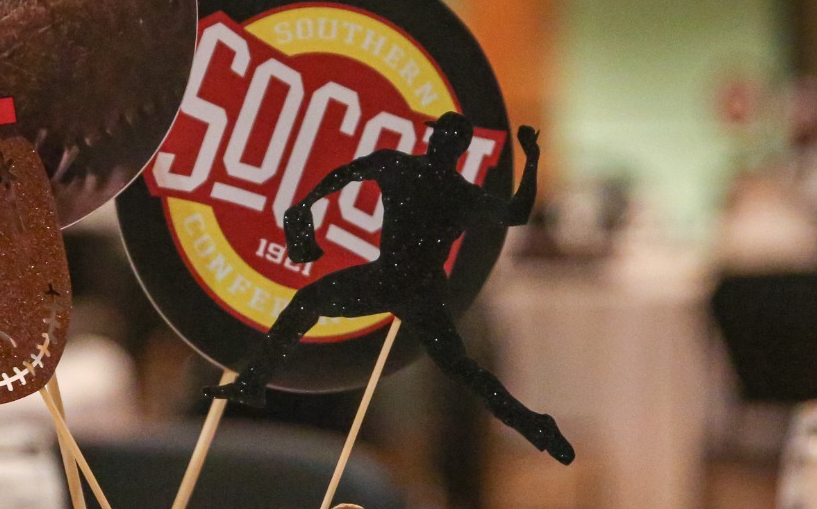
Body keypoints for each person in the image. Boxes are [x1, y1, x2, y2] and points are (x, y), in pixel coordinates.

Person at [202, 111, 574, 464]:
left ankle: (535, 425)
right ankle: (252, 382)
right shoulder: (410, 170)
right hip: (386, 278)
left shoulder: (442, 185)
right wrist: (307, 202)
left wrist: (532, 160)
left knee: (458, 368)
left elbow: (516, 215)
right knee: (309, 299)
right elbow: (346, 173)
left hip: (420, 290)